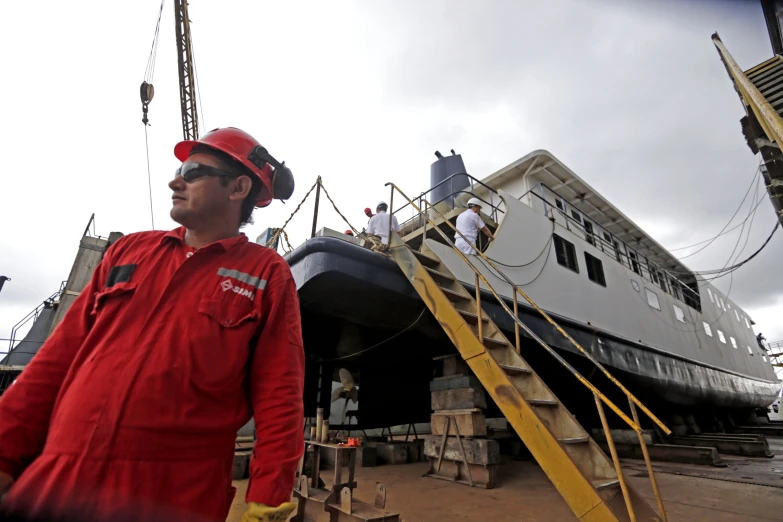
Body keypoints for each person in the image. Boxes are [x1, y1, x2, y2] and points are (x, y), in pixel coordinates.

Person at [0, 128, 304, 522]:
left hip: (171, 497)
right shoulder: (130, 251)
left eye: (193, 171)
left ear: (238, 188)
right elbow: (55, 362)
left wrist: (269, 499)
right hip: (57, 481)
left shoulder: (266, 273)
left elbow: (279, 394)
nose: (175, 181)